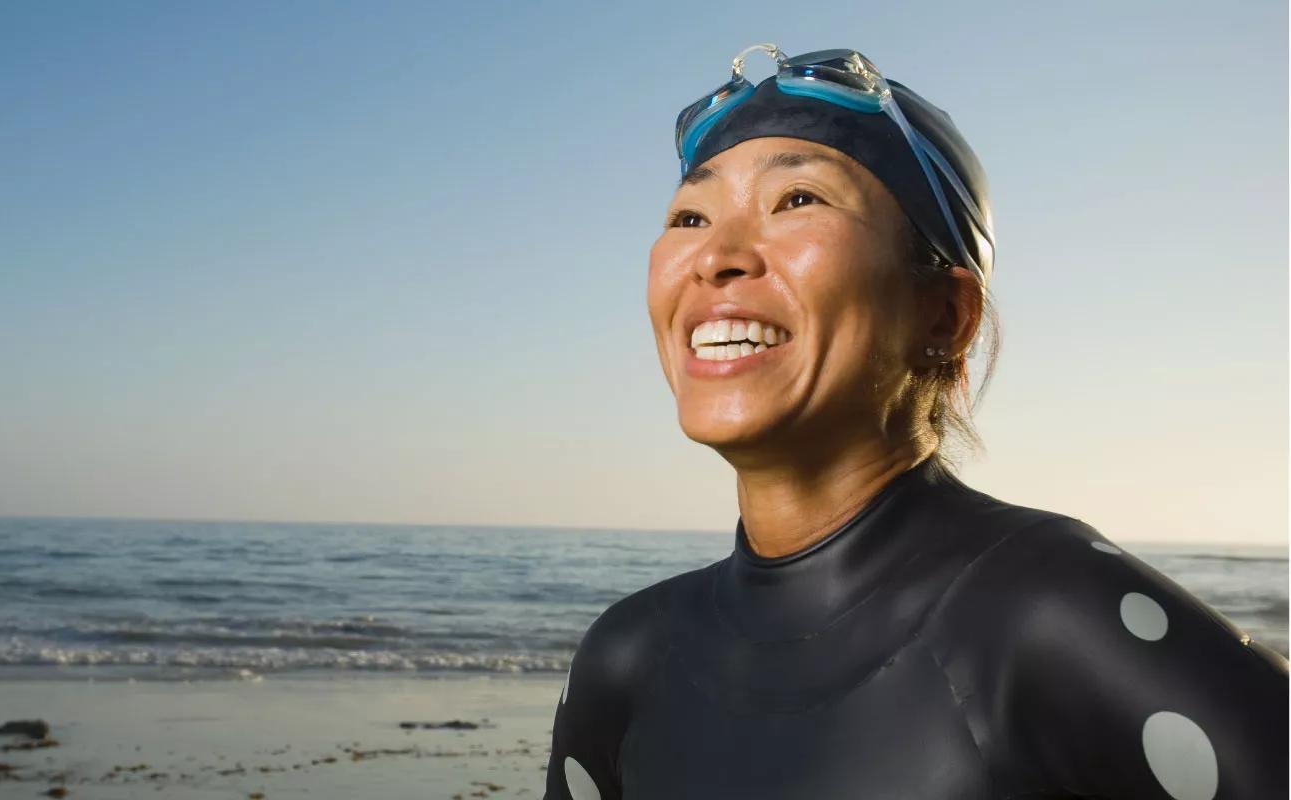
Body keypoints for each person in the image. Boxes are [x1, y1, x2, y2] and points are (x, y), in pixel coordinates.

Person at [542, 45, 1288, 799]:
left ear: (945, 314)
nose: (716, 258)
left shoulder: (1051, 617)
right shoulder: (625, 658)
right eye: (690, 216)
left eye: (798, 199)